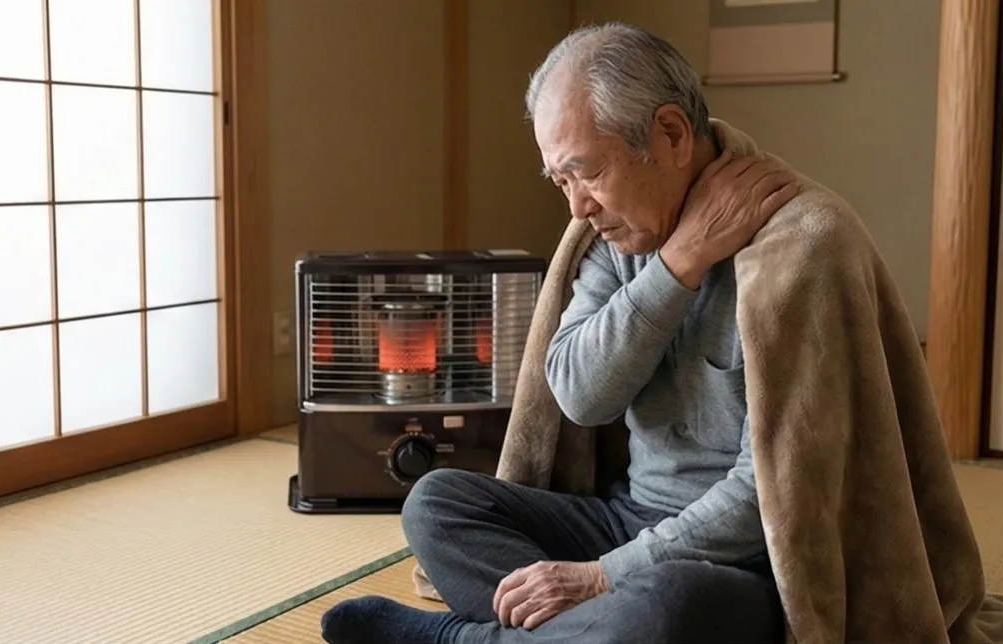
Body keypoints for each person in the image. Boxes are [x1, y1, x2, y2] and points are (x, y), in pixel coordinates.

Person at [321, 22, 801, 644]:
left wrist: (603, 578)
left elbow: (769, 493)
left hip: (738, 560)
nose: (576, 207)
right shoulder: (616, 237)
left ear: (673, 135)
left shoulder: (796, 253)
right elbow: (580, 394)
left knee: (672, 605)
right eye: (560, 181)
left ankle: (462, 639)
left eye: (587, 172)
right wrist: (677, 266)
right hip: (624, 517)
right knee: (436, 504)